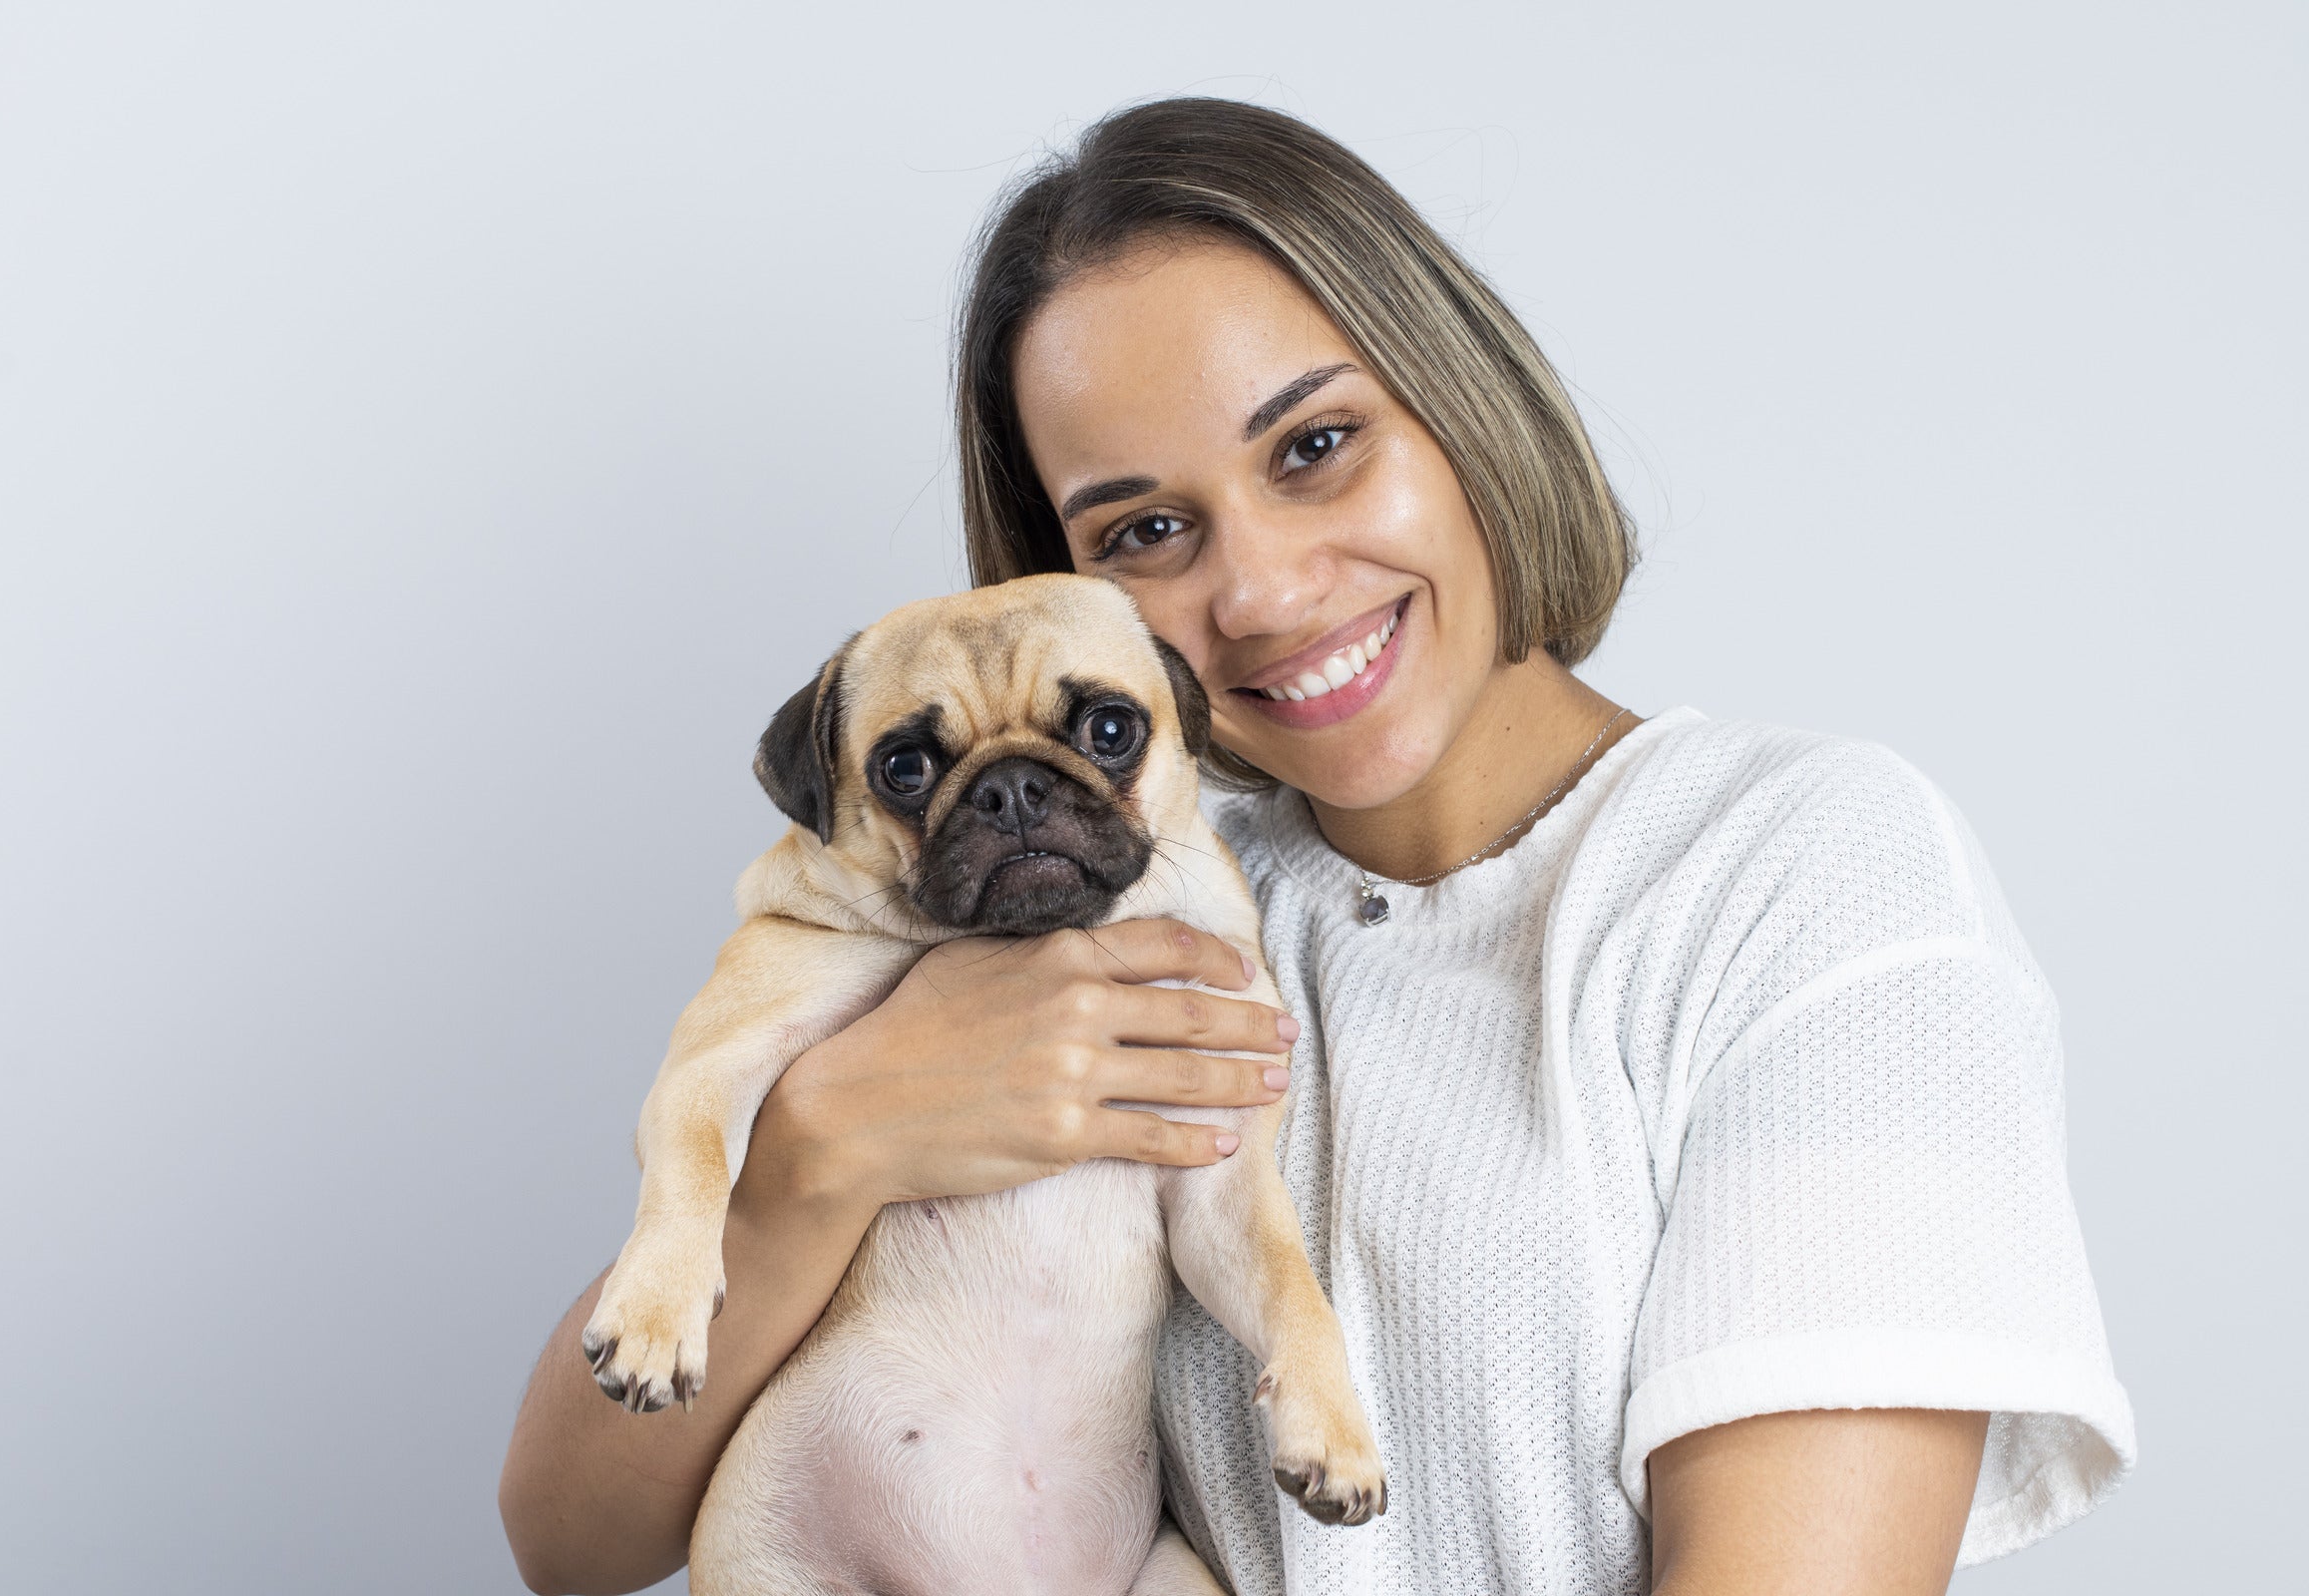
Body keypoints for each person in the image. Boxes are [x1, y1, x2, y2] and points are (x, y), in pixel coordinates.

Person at [500, 98, 2132, 1595]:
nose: (1267, 590)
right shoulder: (1095, 921)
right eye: (1147, 530)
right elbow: (572, 1542)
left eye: (1314, 445)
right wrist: (822, 1151)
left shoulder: (1800, 877)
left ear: (1462, 399)